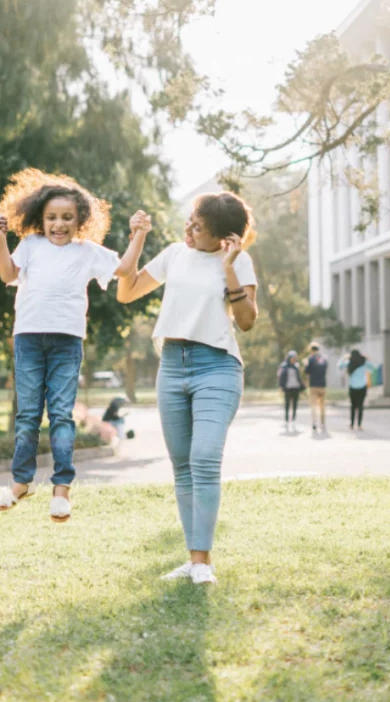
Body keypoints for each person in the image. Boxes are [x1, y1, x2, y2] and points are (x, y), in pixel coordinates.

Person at [0, 168, 149, 522]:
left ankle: (62, 490)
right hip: (29, 338)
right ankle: (21, 483)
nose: (58, 224)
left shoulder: (87, 251)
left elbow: (124, 268)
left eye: (67, 218)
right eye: (51, 218)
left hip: (67, 341)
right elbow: (7, 274)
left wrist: (137, 235)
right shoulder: (30, 245)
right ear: (39, 219)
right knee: (28, 414)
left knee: (61, 414)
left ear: (81, 221)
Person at [117, 191, 258, 585]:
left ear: (224, 238)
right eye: (191, 221)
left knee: (205, 457)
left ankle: (202, 563)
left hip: (217, 366)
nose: (189, 230)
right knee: (183, 467)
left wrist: (229, 267)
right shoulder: (175, 254)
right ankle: (195, 560)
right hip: (172, 366)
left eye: (199, 227)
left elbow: (247, 320)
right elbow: (125, 292)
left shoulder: (239, 260)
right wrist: (138, 238)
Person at [339, 348, 374, 430]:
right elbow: (372, 367)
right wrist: (368, 358)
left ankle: (351, 424)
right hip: (362, 386)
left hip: (353, 387)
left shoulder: (349, 363)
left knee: (353, 406)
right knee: (360, 406)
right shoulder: (364, 362)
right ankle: (359, 425)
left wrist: (344, 358)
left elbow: (339, 366)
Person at [304, 341, 329, 432]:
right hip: (323, 385)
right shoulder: (324, 358)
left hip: (313, 385)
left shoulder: (310, 359)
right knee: (322, 406)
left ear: (311, 350)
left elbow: (306, 371)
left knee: (313, 405)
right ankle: (322, 423)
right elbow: (325, 369)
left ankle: (314, 422)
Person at [277, 350, 304, 431]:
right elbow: (280, 377)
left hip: (295, 388)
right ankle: (286, 421)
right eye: (292, 358)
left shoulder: (296, 366)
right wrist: (281, 386)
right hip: (288, 388)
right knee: (287, 405)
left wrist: (302, 387)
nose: (293, 360)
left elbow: (299, 378)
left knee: (295, 405)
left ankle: (293, 420)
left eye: (294, 358)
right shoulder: (284, 366)